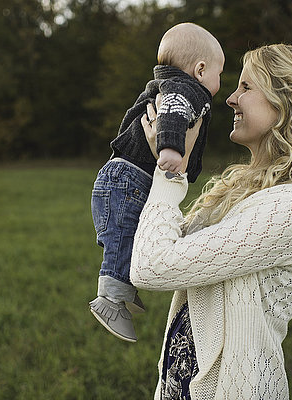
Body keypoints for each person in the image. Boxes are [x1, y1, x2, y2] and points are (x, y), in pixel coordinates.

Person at [131, 44, 292, 399]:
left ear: (289, 103)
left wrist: (169, 174)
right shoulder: (240, 187)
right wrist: (163, 150)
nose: (231, 99)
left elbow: (153, 265)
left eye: (247, 87)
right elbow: (158, 239)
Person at [89, 23, 225, 343]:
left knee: (132, 237)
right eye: (220, 74)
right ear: (200, 69)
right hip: (128, 180)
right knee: (123, 238)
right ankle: (110, 298)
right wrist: (170, 149)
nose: (220, 83)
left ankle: (124, 284)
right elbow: (173, 113)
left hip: (121, 179)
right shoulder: (186, 89)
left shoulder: (167, 83)